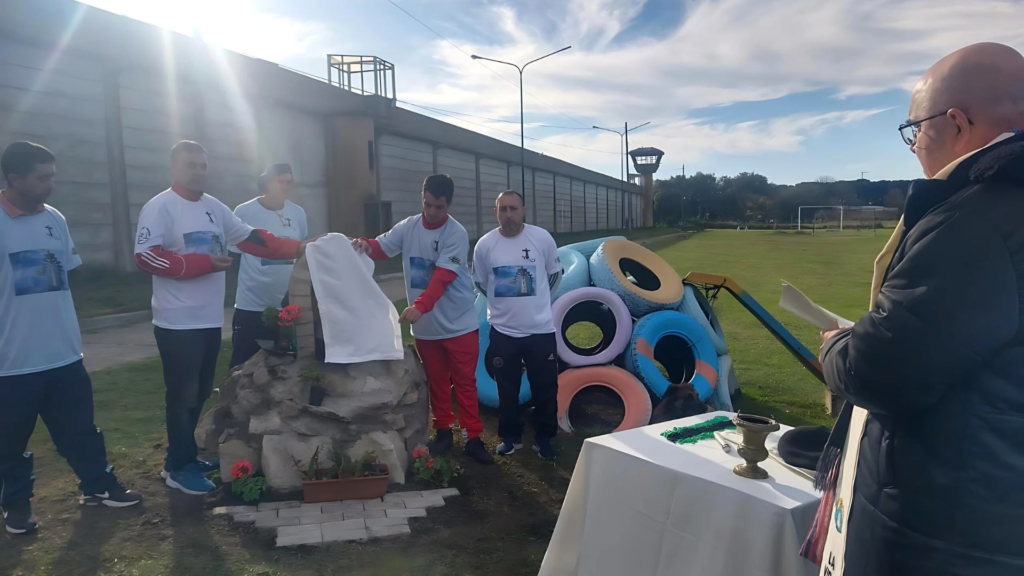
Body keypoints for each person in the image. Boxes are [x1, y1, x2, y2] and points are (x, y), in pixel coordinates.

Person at [817, 43, 1024, 576]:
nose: (913, 146)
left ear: (955, 123)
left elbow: (883, 368)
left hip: (945, 527)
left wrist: (838, 347)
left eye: (916, 129)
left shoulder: (978, 218)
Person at [135, 141, 314, 495]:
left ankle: (182, 456)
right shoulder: (160, 208)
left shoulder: (213, 208)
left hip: (207, 320)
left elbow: (251, 238)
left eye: (202, 165)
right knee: (183, 395)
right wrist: (198, 264)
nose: (198, 171)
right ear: (174, 168)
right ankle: (179, 467)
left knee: (200, 392)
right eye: (191, 165)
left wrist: (299, 248)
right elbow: (146, 257)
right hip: (177, 323)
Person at [0, 142, 142, 535]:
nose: (52, 183)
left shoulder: (55, 218)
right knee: (9, 443)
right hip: (11, 364)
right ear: (14, 179)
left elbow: (68, 273)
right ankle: (16, 507)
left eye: (52, 174)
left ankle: (98, 486)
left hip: (64, 355)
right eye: (42, 177)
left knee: (81, 431)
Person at [352, 174, 493, 464]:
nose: (431, 212)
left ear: (449, 204)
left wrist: (421, 305)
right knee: (436, 381)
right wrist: (363, 245)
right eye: (427, 204)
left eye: (438, 207)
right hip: (427, 329)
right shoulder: (408, 226)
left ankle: (473, 437)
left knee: (465, 381)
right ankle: (443, 431)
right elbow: (382, 247)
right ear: (422, 198)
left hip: (459, 324)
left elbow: (443, 276)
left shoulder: (455, 234)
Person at [473, 191, 561, 459]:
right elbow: (480, 282)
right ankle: (511, 437)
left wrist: (536, 305)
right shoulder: (485, 245)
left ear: (524, 209)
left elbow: (554, 276)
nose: (508, 215)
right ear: (495, 211)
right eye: (503, 209)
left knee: (545, 388)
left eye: (513, 208)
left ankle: (544, 438)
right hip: (503, 332)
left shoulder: (541, 238)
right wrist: (504, 305)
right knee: (506, 389)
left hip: (540, 330)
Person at [228, 163, 308, 368]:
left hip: (288, 308)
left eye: (288, 182)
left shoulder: (298, 213)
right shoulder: (244, 211)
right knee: (243, 366)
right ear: (266, 183)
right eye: (280, 181)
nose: (285, 186)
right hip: (252, 306)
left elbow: (300, 254)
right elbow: (235, 257)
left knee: (286, 366)